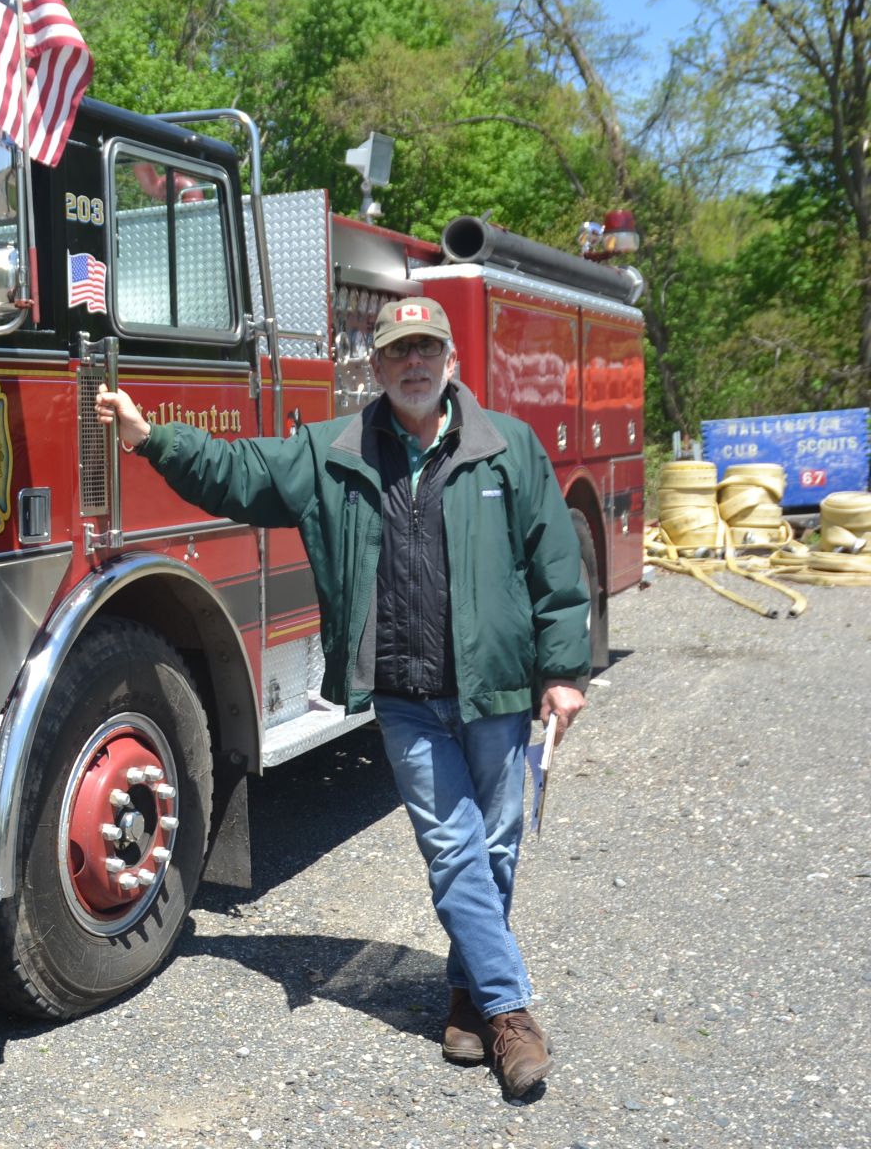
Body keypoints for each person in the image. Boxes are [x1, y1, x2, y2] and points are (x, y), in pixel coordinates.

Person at [94, 295, 588, 1100]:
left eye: (428, 349)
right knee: (457, 851)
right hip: (405, 697)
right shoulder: (336, 452)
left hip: (496, 689)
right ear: (378, 367)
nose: (415, 363)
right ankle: (510, 1014)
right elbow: (241, 475)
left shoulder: (510, 450)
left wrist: (562, 672)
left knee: (496, 852)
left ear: (451, 361)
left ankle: (465, 999)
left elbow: (555, 569)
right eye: (399, 353)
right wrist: (155, 441)